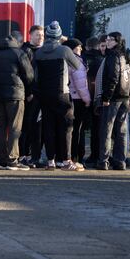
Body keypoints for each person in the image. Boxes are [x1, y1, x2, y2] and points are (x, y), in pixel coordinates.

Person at [33, 21, 83, 171]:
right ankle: (66, 161)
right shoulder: (64, 50)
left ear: (47, 35)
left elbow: (35, 76)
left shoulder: (39, 52)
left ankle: (50, 161)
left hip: (44, 94)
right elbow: (77, 66)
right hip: (62, 93)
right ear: (59, 36)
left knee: (48, 127)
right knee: (66, 127)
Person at [0, 32, 34, 170]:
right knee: (14, 127)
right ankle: (12, 159)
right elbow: (29, 75)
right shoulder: (19, 53)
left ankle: (1, 159)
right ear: (18, 42)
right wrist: (23, 86)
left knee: (0, 127)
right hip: (15, 95)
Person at [97, 32, 130, 170]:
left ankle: (103, 161)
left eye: (110, 39)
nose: (107, 41)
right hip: (124, 98)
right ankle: (120, 161)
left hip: (113, 99)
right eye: (107, 39)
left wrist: (106, 97)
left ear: (117, 41)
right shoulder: (126, 55)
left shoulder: (112, 56)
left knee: (106, 130)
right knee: (121, 131)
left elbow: (113, 77)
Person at [19, 25, 44, 167]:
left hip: (40, 95)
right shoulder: (26, 51)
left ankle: (33, 156)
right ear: (30, 36)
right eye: (37, 35)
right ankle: (24, 155)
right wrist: (29, 92)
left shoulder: (43, 51)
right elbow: (26, 75)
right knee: (27, 126)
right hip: (30, 96)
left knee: (37, 127)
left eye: (42, 35)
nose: (40, 37)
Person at [65, 38, 92, 165]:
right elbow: (81, 84)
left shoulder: (65, 60)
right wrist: (87, 100)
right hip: (78, 99)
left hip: (67, 97)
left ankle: (66, 156)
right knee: (77, 130)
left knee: (68, 129)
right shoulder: (77, 61)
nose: (81, 49)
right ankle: (77, 157)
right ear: (72, 49)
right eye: (78, 47)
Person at [82, 36, 105, 165]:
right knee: (98, 128)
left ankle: (77, 155)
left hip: (82, 96)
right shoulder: (103, 60)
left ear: (86, 46)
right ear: (98, 46)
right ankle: (97, 155)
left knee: (79, 127)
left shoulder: (82, 59)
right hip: (98, 97)